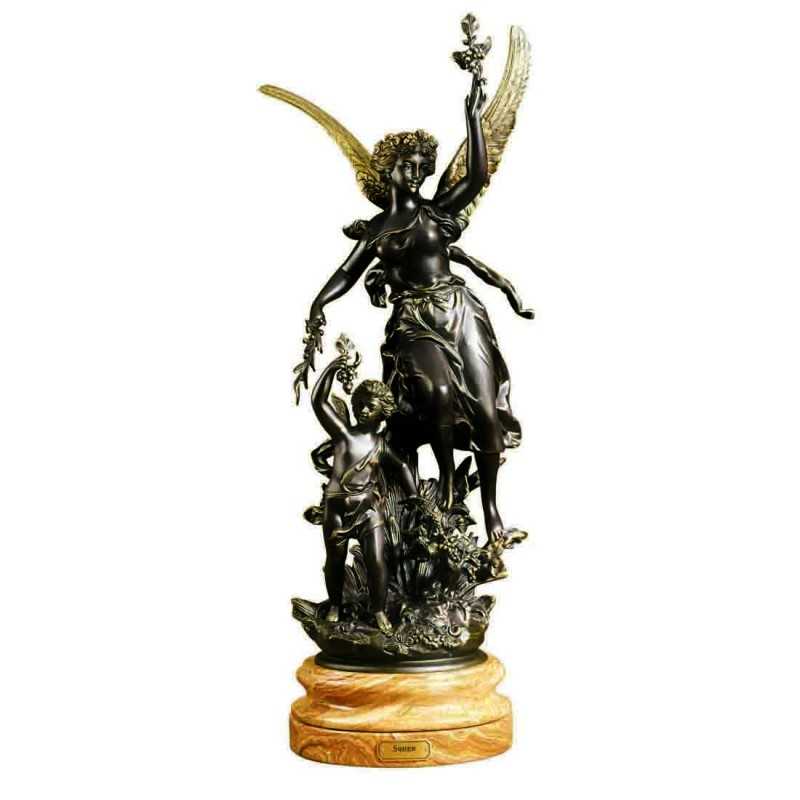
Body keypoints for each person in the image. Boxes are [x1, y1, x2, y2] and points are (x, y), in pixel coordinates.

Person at [302, 74, 531, 543]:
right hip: (413, 320)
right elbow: (347, 272)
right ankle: (444, 477)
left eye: (423, 167)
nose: (416, 173)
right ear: (388, 169)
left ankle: (491, 512)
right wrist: (319, 303)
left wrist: (472, 118)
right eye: (407, 165)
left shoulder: (436, 211)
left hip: (458, 310)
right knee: (438, 393)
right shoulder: (378, 229)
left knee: (486, 410)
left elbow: (476, 176)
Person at [309, 353, 419, 634]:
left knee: (377, 561)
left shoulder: (381, 446)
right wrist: (333, 367)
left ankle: (378, 610)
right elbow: (319, 402)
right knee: (335, 559)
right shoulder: (343, 434)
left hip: (369, 510)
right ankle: (335, 605)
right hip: (336, 508)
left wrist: (413, 497)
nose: (363, 410)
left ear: (383, 413)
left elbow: (402, 466)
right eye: (359, 404)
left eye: (371, 406)